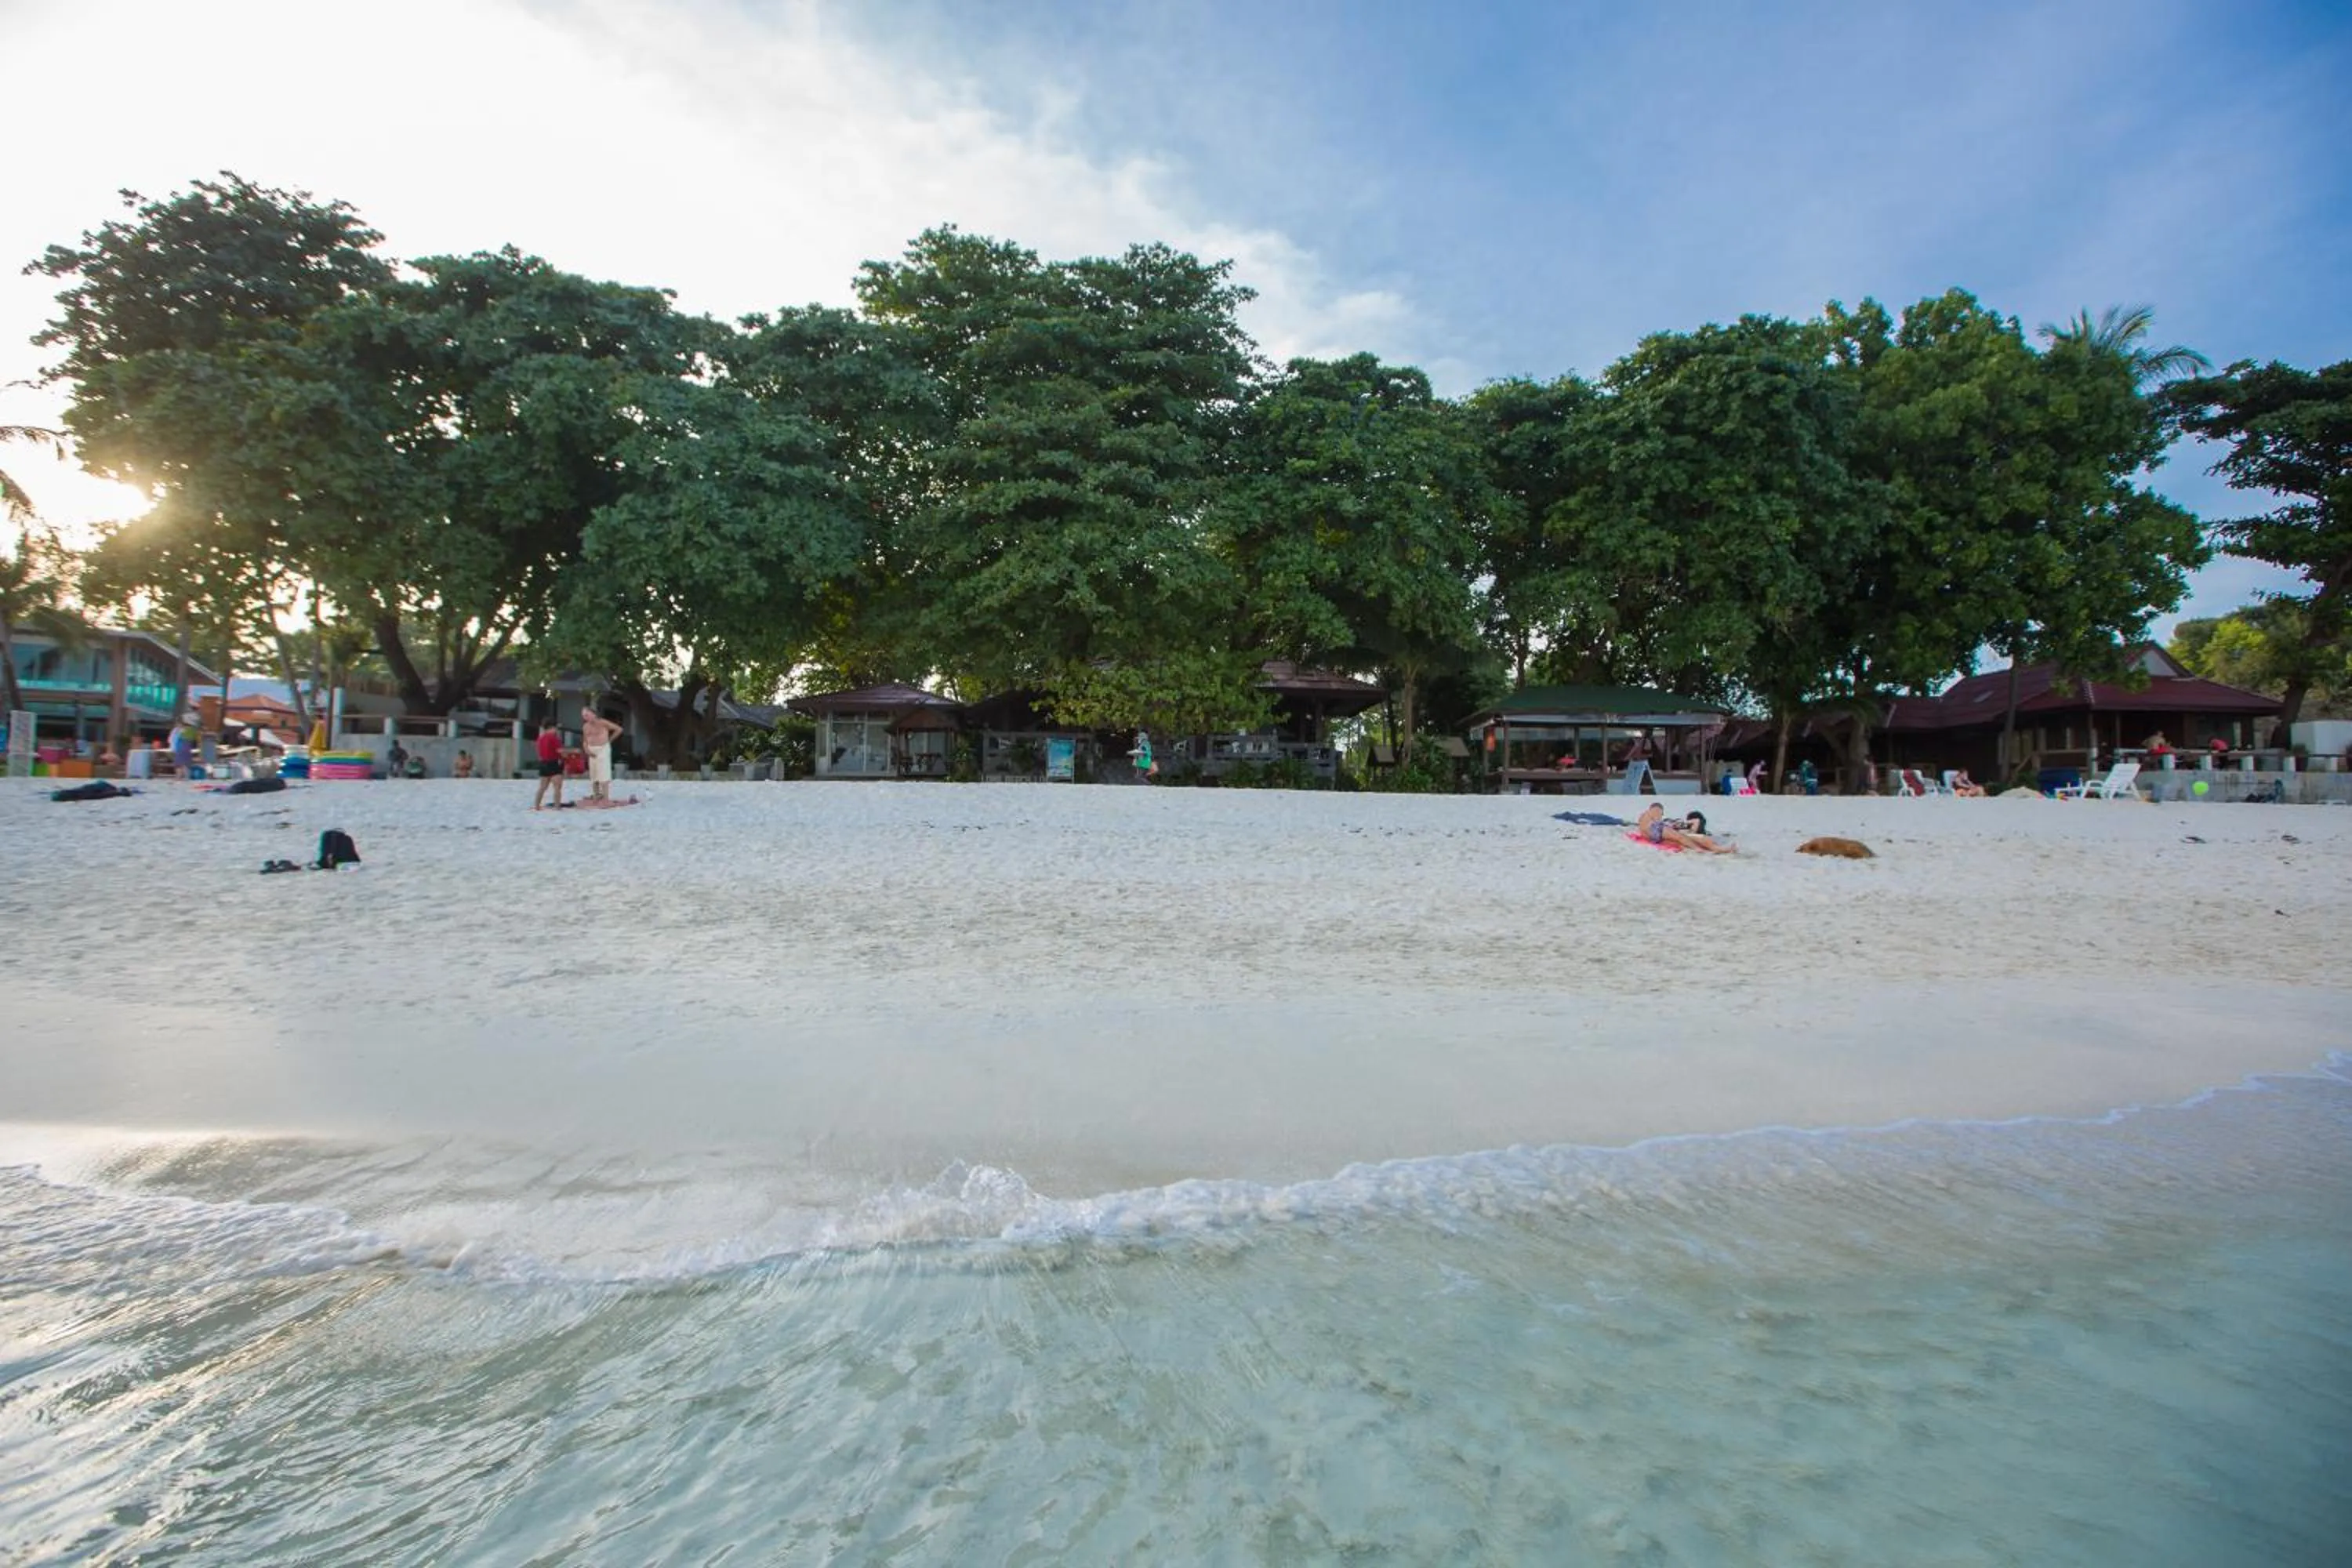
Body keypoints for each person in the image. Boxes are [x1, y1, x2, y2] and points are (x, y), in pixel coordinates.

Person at [1635, 801, 1736, 855]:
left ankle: (1714, 849)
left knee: (1683, 839)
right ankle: (1701, 849)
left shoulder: (1643, 818)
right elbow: (1657, 820)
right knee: (1683, 838)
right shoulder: (1654, 811)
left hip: (1653, 835)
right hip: (1657, 829)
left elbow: (1644, 830)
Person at [580, 706, 622, 802]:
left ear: (593, 714)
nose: (585, 718)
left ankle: (606, 798)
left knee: (603, 772)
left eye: (587, 715)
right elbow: (585, 740)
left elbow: (619, 729)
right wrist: (586, 749)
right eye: (584, 716)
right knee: (594, 774)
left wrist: (610, 740)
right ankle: (596, 795)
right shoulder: (585, 726)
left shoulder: (603, 722)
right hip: (591, 749)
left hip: (603, 748)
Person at [532, 723, 567, 810]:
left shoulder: (540, 738)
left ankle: (537, 806)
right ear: (551, 728)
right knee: (557, 787)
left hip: (543, 763)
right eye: (555, 728)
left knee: (542, 787)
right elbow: (561, 751)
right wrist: (566, 755)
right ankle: (557, 806)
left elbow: (539, 752)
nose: (556, 731)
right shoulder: (554, 738)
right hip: (554, 763)